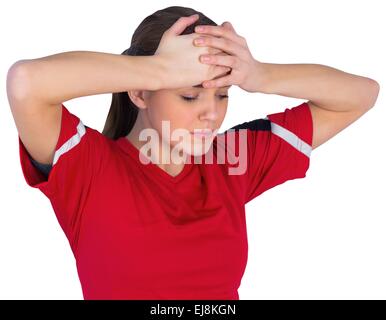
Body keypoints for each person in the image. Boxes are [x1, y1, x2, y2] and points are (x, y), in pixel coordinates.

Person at [6, 6, 379, 300]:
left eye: (222, 94)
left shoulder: (233, 159)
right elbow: (26, 82)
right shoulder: (86, 168)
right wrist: (156, 69)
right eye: (189, 94)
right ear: (140, 92)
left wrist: (259, 75)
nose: (211, 113)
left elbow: (361, 95)